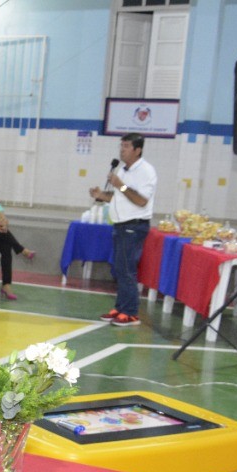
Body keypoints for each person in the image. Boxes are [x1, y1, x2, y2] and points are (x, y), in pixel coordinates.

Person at [89, 133, 156, 327]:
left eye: (126, 146)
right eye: (121, 146)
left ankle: (131, 313)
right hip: (120, 224)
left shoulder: (146, 171)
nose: (122, 150)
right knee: (119, 269)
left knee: (127, 270)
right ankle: (120, 308)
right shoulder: (123, 170)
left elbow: (141, 200)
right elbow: (121, 197)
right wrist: (102, 195)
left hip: (134, 226)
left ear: (138, 149)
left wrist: (121, 185)